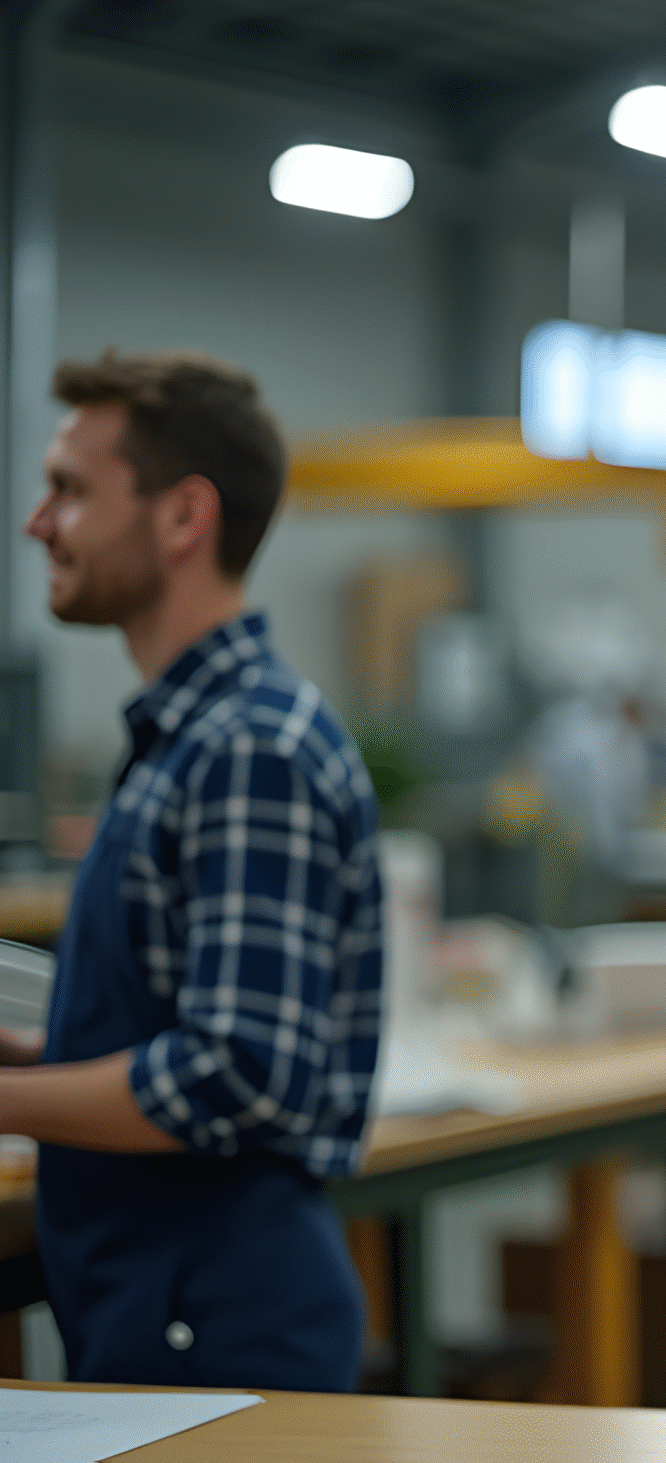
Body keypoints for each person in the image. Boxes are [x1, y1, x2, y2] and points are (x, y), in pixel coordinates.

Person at [7, 350, 381, 1388]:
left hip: (219, 1311)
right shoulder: (186, 739)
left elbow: (236, 1071)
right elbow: (183, 1024)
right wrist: (34, 1058)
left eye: (70, 490)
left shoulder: (250, 746)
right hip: (162, 1296)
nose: (38, 522)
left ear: (182, 517)